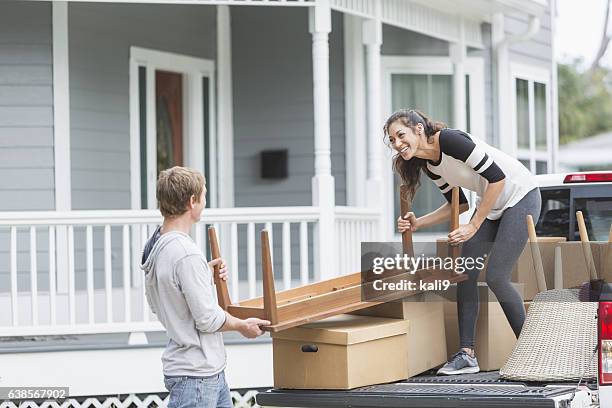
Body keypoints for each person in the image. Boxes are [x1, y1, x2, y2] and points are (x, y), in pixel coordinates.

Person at [384, 109, 541, 375]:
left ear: (418, 129)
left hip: (521, 196)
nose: (398, 144)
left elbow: (497, 178)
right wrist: (418, 222)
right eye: (392, 140)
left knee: (497, 277)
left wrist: (474, 225)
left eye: (401, 135)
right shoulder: (432, 166)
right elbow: (459, 205)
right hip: (491, 207)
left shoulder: (451, 141)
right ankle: (467, 354)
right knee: (464, 274)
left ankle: (533, 353)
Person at [141, 166, 270, 407]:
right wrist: (243, 326)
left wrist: (202, 275)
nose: (204, 202)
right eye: (204, 195)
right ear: (192, 201)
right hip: (197, 377)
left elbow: (166, 296)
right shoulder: (186, 254)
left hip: (203, 372)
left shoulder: (158, 246)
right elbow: (208, 319)